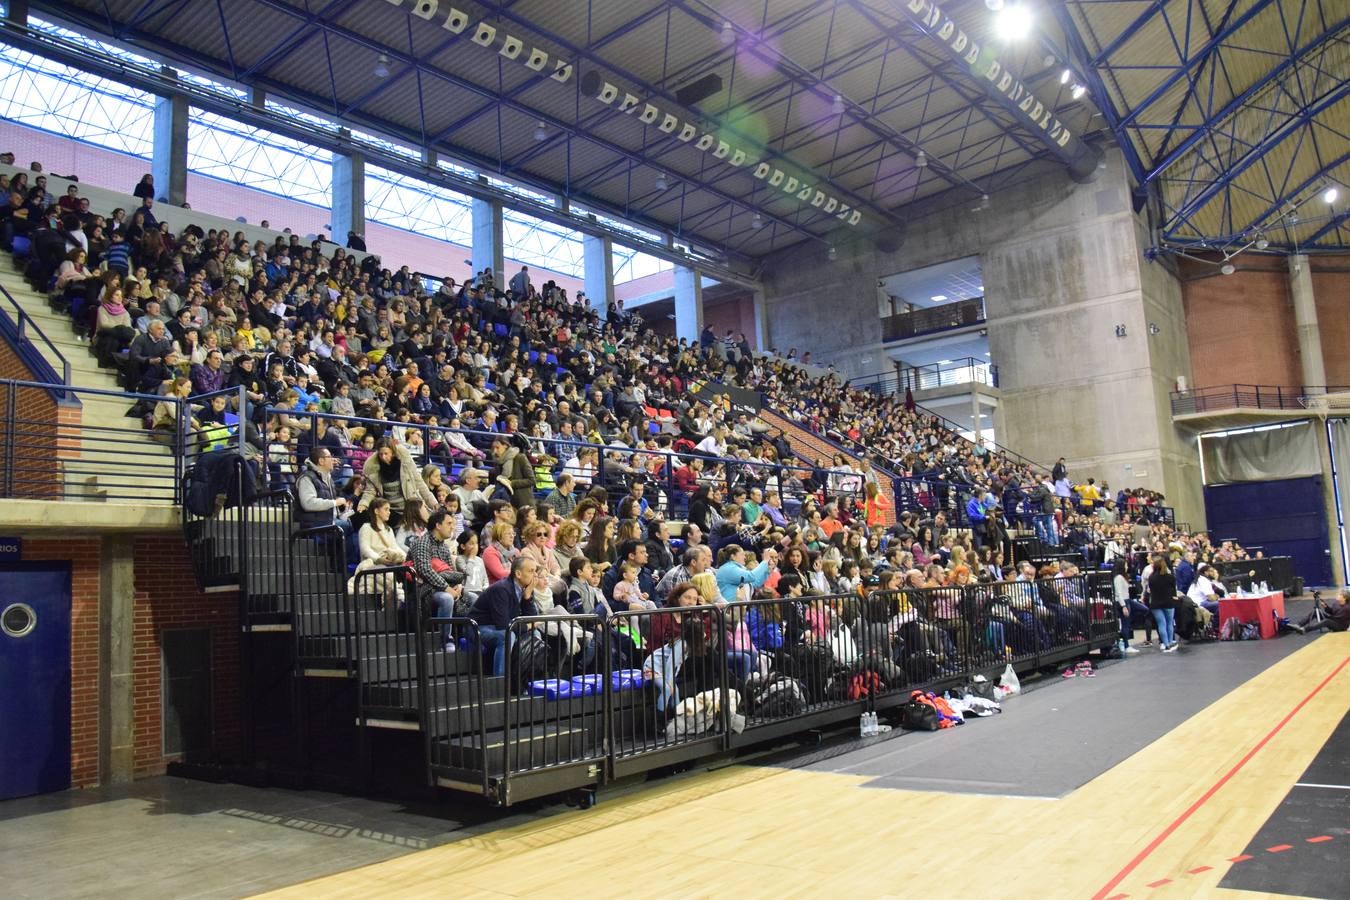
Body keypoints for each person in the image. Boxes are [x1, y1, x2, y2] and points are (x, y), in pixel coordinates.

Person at [469, 554, 541, 677]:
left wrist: (527, 597)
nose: (535, 575)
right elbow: (503, 625)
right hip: (477, 627)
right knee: (506, 636)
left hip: (500, 626)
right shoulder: (501, 589)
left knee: (536, 634)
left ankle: (524, 679)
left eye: (536, 571)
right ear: (518, 574)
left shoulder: (526, 588)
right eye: (531, 571)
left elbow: (531, 619)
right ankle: (500, 683)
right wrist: (528, 626)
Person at [410, 510, 464, 649]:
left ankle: (471, 639)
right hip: (423, 589)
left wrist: (457, 585)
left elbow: (451, 572)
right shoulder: (422, 542)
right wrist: (447, 588)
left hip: (440, 587)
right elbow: (424, 570)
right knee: (446, 598)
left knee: (474, 598)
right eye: (449, 523)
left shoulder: (444, 547)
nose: (453, 527)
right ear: (438, 525)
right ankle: (445, 641)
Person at [1146, 554, 1179, 652]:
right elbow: (1174, 592)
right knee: (1169, 623)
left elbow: (1150, 590)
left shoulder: (1151, 578)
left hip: (1156, 603)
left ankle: (1165, 644)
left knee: (1161, 624)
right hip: (1168, 602)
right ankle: (1170, 641)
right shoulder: (1170, 577)